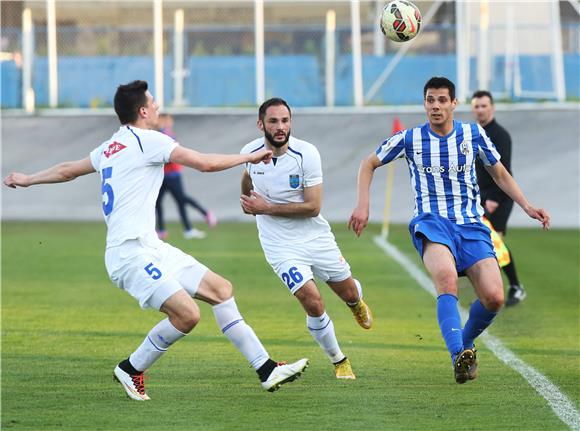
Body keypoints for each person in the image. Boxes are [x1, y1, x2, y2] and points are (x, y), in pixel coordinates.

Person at [3, 80, 308, 400]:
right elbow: (204, 163)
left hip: (150, 247)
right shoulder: (148, 140)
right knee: (187, 315)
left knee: (221, 290)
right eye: (154, 102)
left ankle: (266, 368)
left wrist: (28, 179)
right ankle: (131, 368)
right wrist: (251, 156)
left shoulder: (111, 145)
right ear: (143, 110)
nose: (159, 107)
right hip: (129, 254)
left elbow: (68, 170)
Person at [349, 77, 549, 384]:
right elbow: (368, 163)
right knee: (445, 280)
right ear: (425, 103)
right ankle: (458, 354)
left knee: (494, 297)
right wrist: (363, 205)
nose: (436, 106)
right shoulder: (410, 138)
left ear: (454, 103)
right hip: (431, 223)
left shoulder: (472, 133)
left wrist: (526, 205)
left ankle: (464, 346)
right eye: (430, 100)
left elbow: (498, 172)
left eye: (442, 100)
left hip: (471, 223)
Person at [239, 97, 373, 380]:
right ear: (260, 124)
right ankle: (339, 360)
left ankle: (355, 301)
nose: (280, 127)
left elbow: (313, 207)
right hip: (278, 245)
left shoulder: (306, 154)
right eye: (273, 121)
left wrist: (266, 208)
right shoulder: (249, 152)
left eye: (285, 121)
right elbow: (247, 175)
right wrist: (247, 199)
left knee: (347, 292)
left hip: (314, 238)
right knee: (312, 300)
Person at [471, 90, 525, 306]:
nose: (480, 110)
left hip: (499, 198)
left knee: (494, 243)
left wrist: (493, 198)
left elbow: (504, 171)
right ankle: (499, 288)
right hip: (480, 198)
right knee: (489, 243)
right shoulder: (474, 133)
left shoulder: (500, 135)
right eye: (477, 106)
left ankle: (514, 287)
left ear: (492, 108)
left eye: (484, 105)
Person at [155, 113, 217, 240]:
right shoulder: (161, 134)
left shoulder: (166, 134)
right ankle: (163, 230)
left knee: (181, 200)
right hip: (163, 175)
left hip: (172, 175)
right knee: (160, 202)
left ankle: (205, 214)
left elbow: (169, 156)